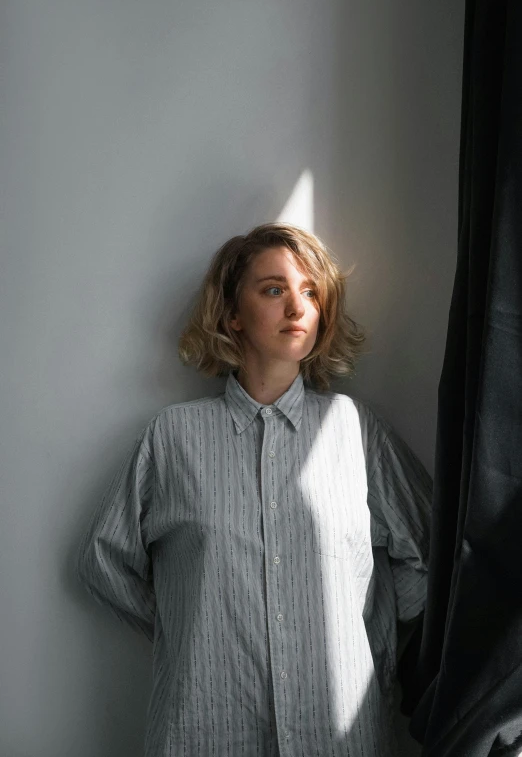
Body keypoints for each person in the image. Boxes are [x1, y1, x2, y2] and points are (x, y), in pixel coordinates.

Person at [76, 222, 432, 757]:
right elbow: (104, 560)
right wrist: (191, 628)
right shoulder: (174, 437)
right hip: (205, 731)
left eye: (311, 292)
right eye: (274, 289)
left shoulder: (355, 431)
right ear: (231, 314)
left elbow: (428, 558)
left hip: (339, 736)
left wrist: (371, 645)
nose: (297, 307)